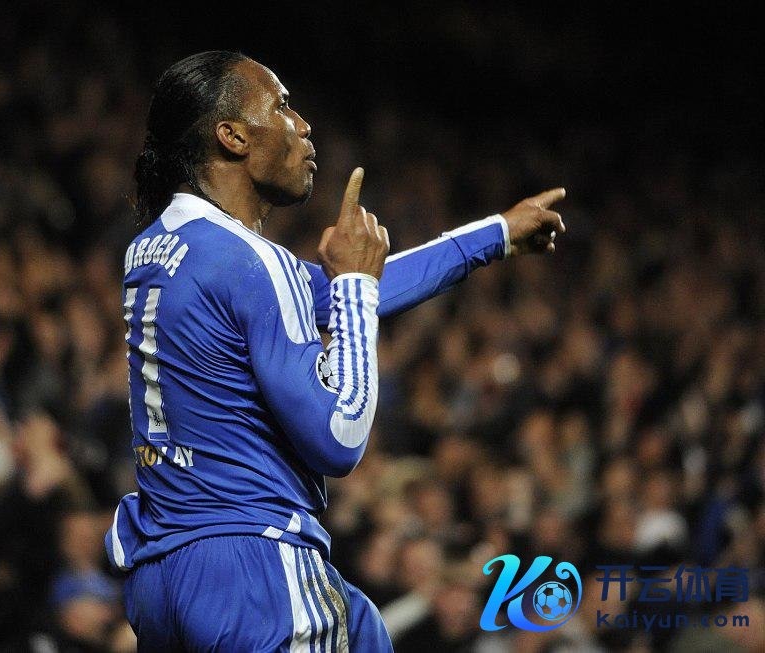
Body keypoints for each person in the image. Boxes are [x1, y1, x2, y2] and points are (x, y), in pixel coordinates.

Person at [105, 50, 566, 651]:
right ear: (232, 136)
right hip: (254, 571)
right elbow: (338, 437)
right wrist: (352, 284)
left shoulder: (156, 248)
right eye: (282, 106)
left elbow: (347, 291)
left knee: (366, 630)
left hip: (166, 573)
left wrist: (496, 234)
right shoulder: (250, 261)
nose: (303, 125)